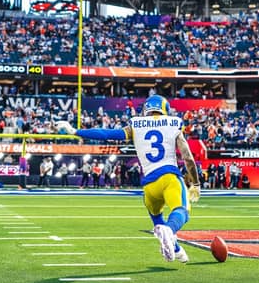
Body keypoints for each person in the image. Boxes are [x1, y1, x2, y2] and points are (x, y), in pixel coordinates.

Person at [56, 95, 200, 263]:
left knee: (156, 214)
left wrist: (75, 131)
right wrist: (195, 183)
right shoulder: (174, 122)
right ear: (165, 109)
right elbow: (188, 157)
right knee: (181, 211)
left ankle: (175, 249)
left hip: (149, 186)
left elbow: (106, 133)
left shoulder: (136, 124)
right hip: (169, 178)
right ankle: (170, 230)